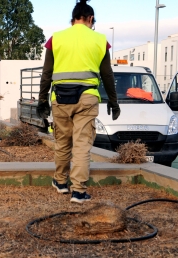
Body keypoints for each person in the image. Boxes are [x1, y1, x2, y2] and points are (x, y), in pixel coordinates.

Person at [38, 0, 120, 204]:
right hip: (87, 98)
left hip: (60, 98)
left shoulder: (56, 39)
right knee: (82, 145)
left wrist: (41, 100)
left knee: (63, 142)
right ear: (90, 18)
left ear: (73, 18)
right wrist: (113, 100)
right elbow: (107, 74)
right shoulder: (100, 40)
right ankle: (79, 192)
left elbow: (46, 73)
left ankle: (60, 182)